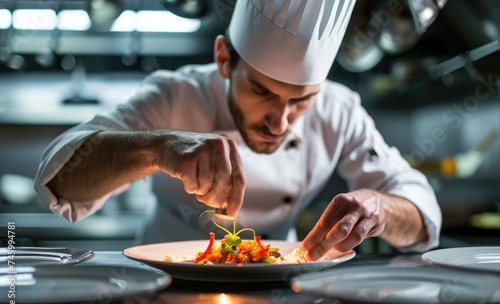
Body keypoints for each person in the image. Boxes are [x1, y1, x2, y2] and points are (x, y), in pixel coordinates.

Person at [34, 0, 442, 261]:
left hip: (282, 290)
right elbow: (59, 181)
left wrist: (378, 207)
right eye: (261, 91)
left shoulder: (339, 109)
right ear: (224, 59)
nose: (279, 122)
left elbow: (424, 215)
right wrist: (160, 147)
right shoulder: (174, 95)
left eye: (301, 99)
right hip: (164, 286)